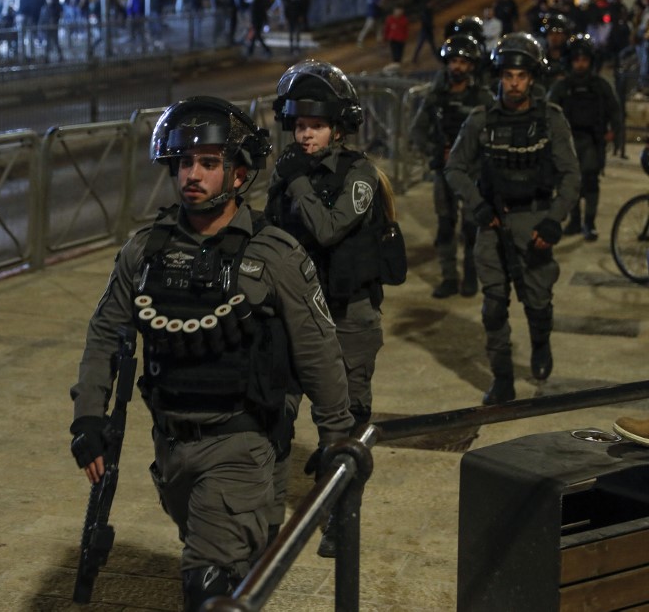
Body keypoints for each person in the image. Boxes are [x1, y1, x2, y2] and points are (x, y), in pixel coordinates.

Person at [69, 96, 352, 610]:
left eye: (208, 163)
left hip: (239, 444)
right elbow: (106, 334)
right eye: (183, 163)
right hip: (171, 448)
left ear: (239, 175)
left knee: (207, 583)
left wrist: (336, 442)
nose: (191, 175)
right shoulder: (145, 252)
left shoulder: (275, 254)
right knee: (240, 571)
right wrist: (87, 417)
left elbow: (319, 352)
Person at [265, 60, 392, 466]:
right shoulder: (289, 171)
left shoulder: (360, 174)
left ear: (336, 129)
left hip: (348, 312)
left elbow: (329, 229)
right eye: (300, 125)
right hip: (297, 308)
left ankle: (340, 492)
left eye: (315, 126)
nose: (304, 135)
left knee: (348, 413)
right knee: (276, 402)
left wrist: (297, 180)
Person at [444, 32, 580, 405]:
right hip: (493, 225)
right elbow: (454, 168)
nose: (514, 83)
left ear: (532, 78)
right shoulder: (481, 120)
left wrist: (554, 220)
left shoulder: (550, 119)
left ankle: (540, 343)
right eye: (508, 76)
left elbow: (571, 174)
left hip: (535, 221)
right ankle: (502, 377)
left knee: (537, 302)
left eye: (521, 76)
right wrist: (477, 206)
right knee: (493, 305)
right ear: (499, 77)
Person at [409, 35, 495, 298]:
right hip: (443, 173)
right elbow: (417, 130)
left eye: (463, 62)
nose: (457, 67)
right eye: (453, 61)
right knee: (445, 226)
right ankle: (449, 277)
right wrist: (433, 151)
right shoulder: (437, 97)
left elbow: (495, 134)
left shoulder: (483, 98)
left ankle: (470, 275)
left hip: (472, 175)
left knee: (471, 228)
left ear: (472, 66)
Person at [547, 33, 620, 242]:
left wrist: (614, 134)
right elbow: (549, 112)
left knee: (590, 182)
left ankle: (589, 222)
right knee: (570, 184)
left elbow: (614, 111)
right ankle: (575, 220)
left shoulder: (600, 86)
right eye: (576, 60)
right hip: (567, 142)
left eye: (584, 60)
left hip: (592, 141)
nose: (580, 65)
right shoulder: (562, 87)